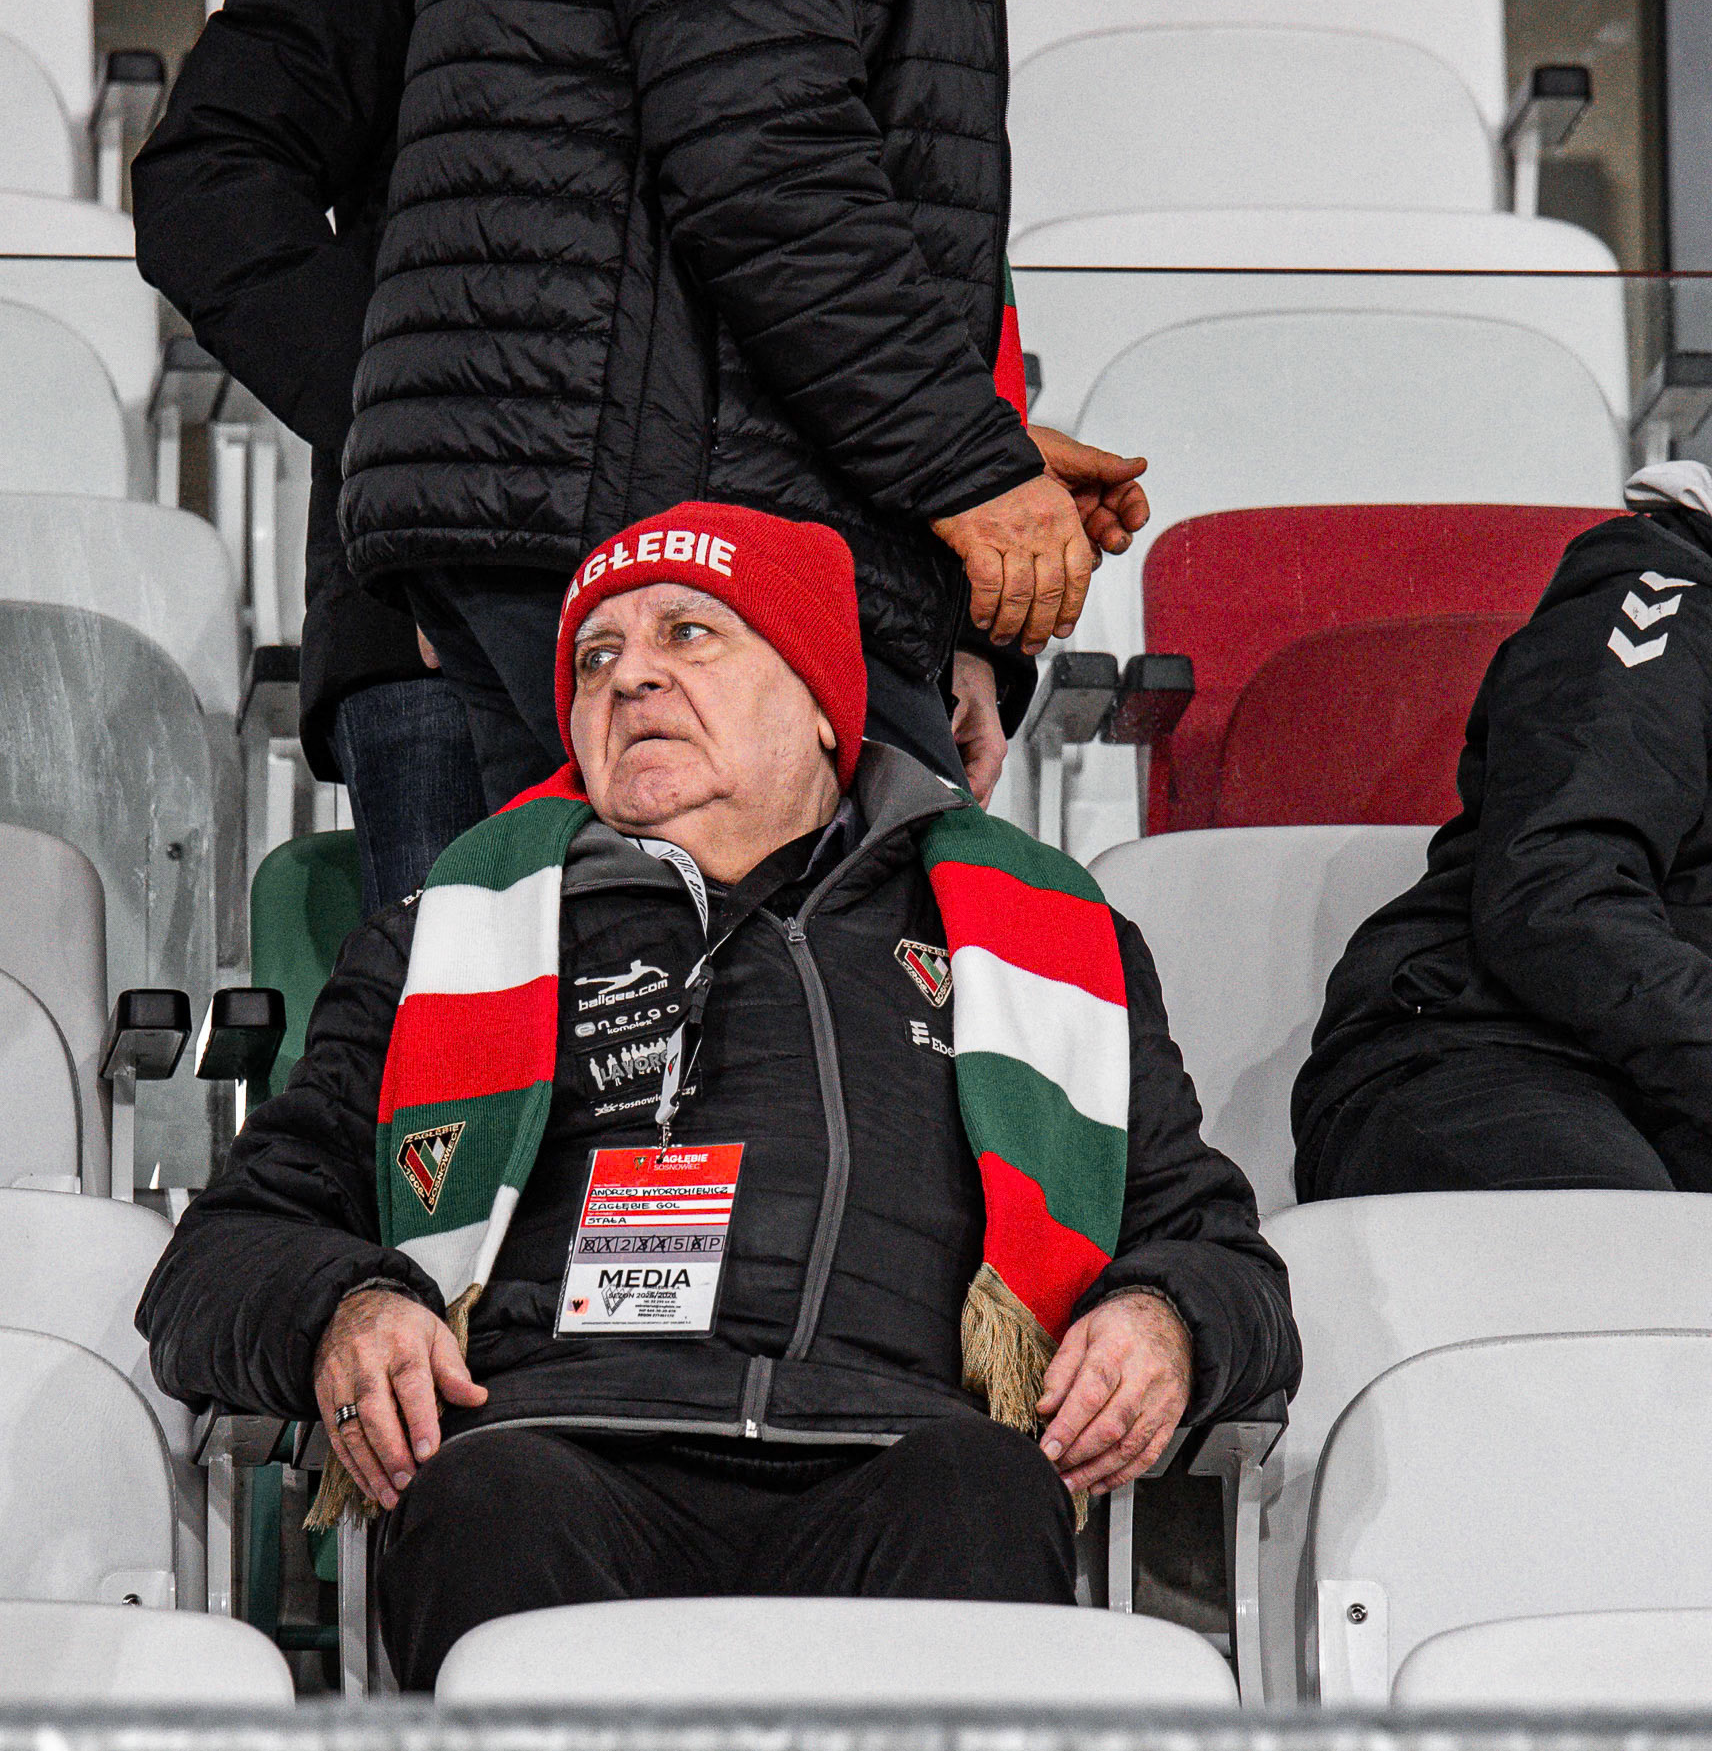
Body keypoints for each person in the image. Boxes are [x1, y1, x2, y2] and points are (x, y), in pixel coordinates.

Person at [140, 501, 1297, 1688]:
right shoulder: (446, 940)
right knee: (484, 1496)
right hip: (553, 1445)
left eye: (689, 633)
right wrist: (346, 1308)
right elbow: (217, 1259)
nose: (631, 676)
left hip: (898, 1446)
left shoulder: (1038, 939)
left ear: (822, 700)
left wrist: (1163, 1319)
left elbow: (1224, 1260)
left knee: (987, 1491)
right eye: (596, 657)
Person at [130, 0, 1149, 822]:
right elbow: (209, 182)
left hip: (748, 562)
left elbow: (862, 218)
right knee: (526, 965)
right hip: (511, 597)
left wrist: (954, 601)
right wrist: (449, 453)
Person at [1293, 462, 1712, 1199]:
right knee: (1610, 1242)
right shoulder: (1656, 607)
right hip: (1479, 1047)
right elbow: (1558, 899)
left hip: (1668, 1086)